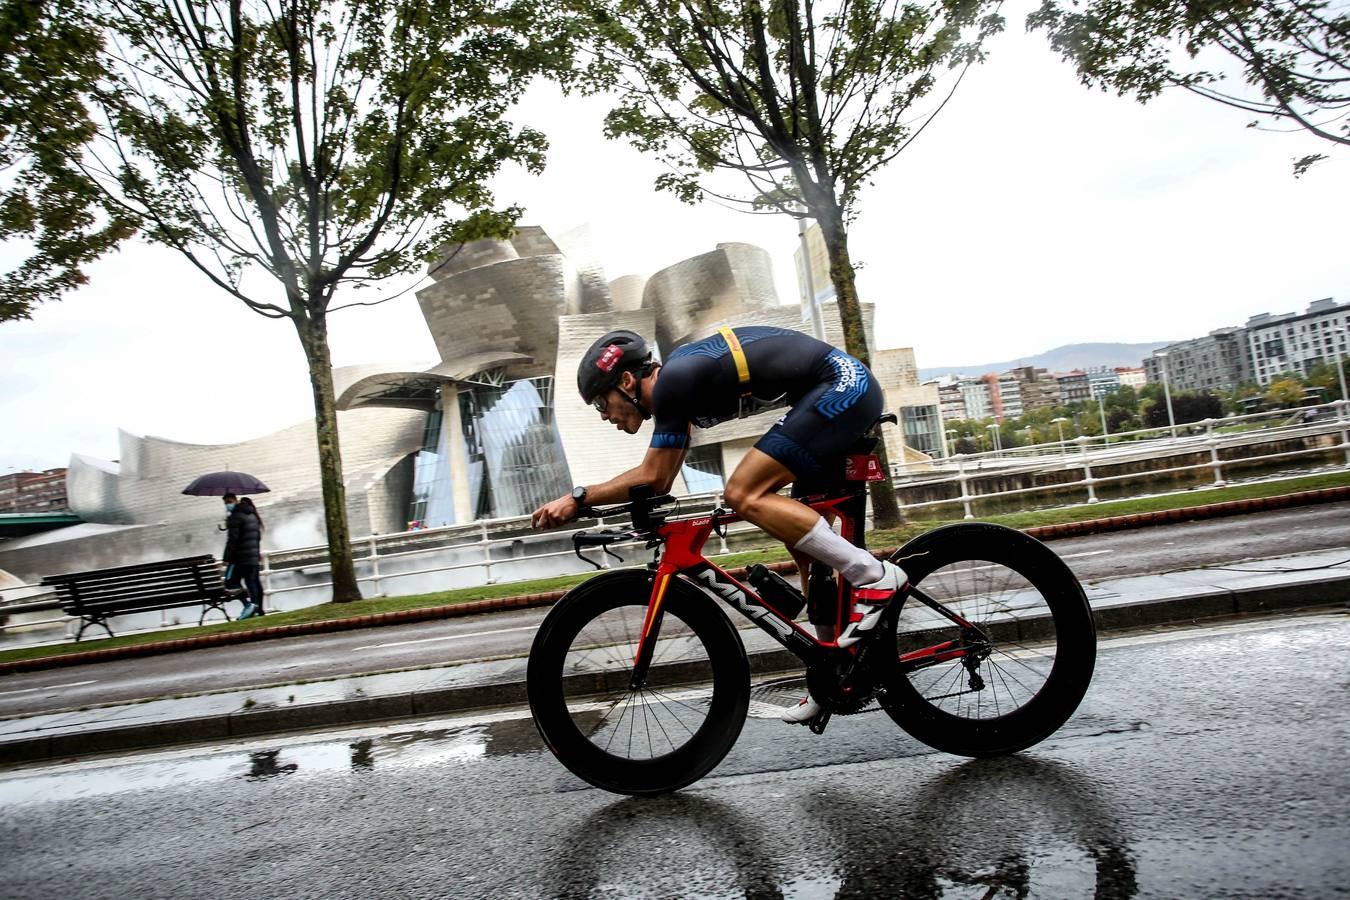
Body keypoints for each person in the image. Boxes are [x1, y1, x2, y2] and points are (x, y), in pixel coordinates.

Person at [531, 326, 908, 725]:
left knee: (742, 493)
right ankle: (831, 672)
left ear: (626, 381)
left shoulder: (673, 382)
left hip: (842, 388)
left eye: (600, 404)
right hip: (831, 392)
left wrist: (578, 498)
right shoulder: (675, 394)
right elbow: (661, 479)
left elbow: (654, 477)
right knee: (805, 548)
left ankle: (872, 574)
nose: (605, 416)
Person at [222, 493, 266, 619]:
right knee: (254, 582)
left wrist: (226, 558)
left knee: (230, 582)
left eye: (229, 502)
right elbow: (256, 537)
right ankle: (259, 610)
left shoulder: (235, 517)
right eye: (225, 503)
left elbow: (232, 540)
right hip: (252, 556)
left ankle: (248, 605)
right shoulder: (252, 515)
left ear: (236, 501)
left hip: (240, 558)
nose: (227, 505)